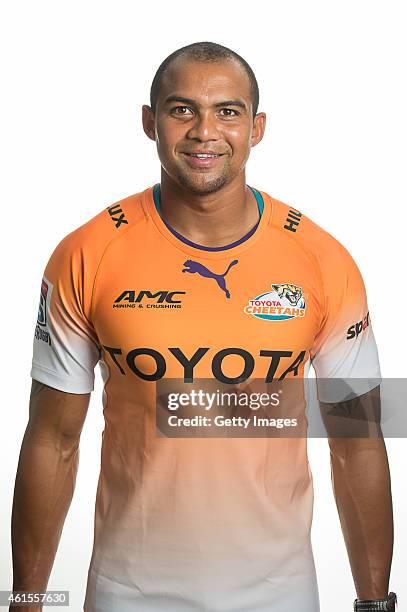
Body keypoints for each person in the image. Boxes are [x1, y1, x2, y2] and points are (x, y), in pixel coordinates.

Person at [10, 41, 396, 612]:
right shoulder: (87, 252)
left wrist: (373, 603)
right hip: (127, 592)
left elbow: (357, 441)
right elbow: (53, 439)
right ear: (150, 121)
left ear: (257, 128)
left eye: (228, 111)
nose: (204, 131)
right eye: (182, 109)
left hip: (279, 595)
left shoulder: (322, 260)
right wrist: (25, 600)